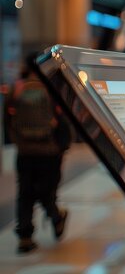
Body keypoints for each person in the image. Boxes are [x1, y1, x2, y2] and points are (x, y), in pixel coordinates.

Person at [5, 53, 70, 254]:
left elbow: (6, 120)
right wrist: (62, 145)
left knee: (24, 193)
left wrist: (19, 141)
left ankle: (24, 236)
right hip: (49, 151)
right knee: (46, 191)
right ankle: (56, 218)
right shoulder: (50, 89)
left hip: (25, 152)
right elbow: (62, 120)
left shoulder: (16, 89)